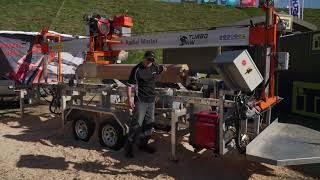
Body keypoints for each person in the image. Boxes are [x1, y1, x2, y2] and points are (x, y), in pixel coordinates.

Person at [125, 51, 166, 158]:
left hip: (151, 100)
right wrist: (130, 99)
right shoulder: (137, 69)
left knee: (149, 122)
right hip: (141, 100)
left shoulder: (154, 67)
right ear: (144, 58)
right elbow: (129, 85)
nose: (149, 62)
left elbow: (161, 69)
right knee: (137, 124)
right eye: (148, 60)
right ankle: (128, 148)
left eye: (151, 61)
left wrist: (165, 69)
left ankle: (143, 145)